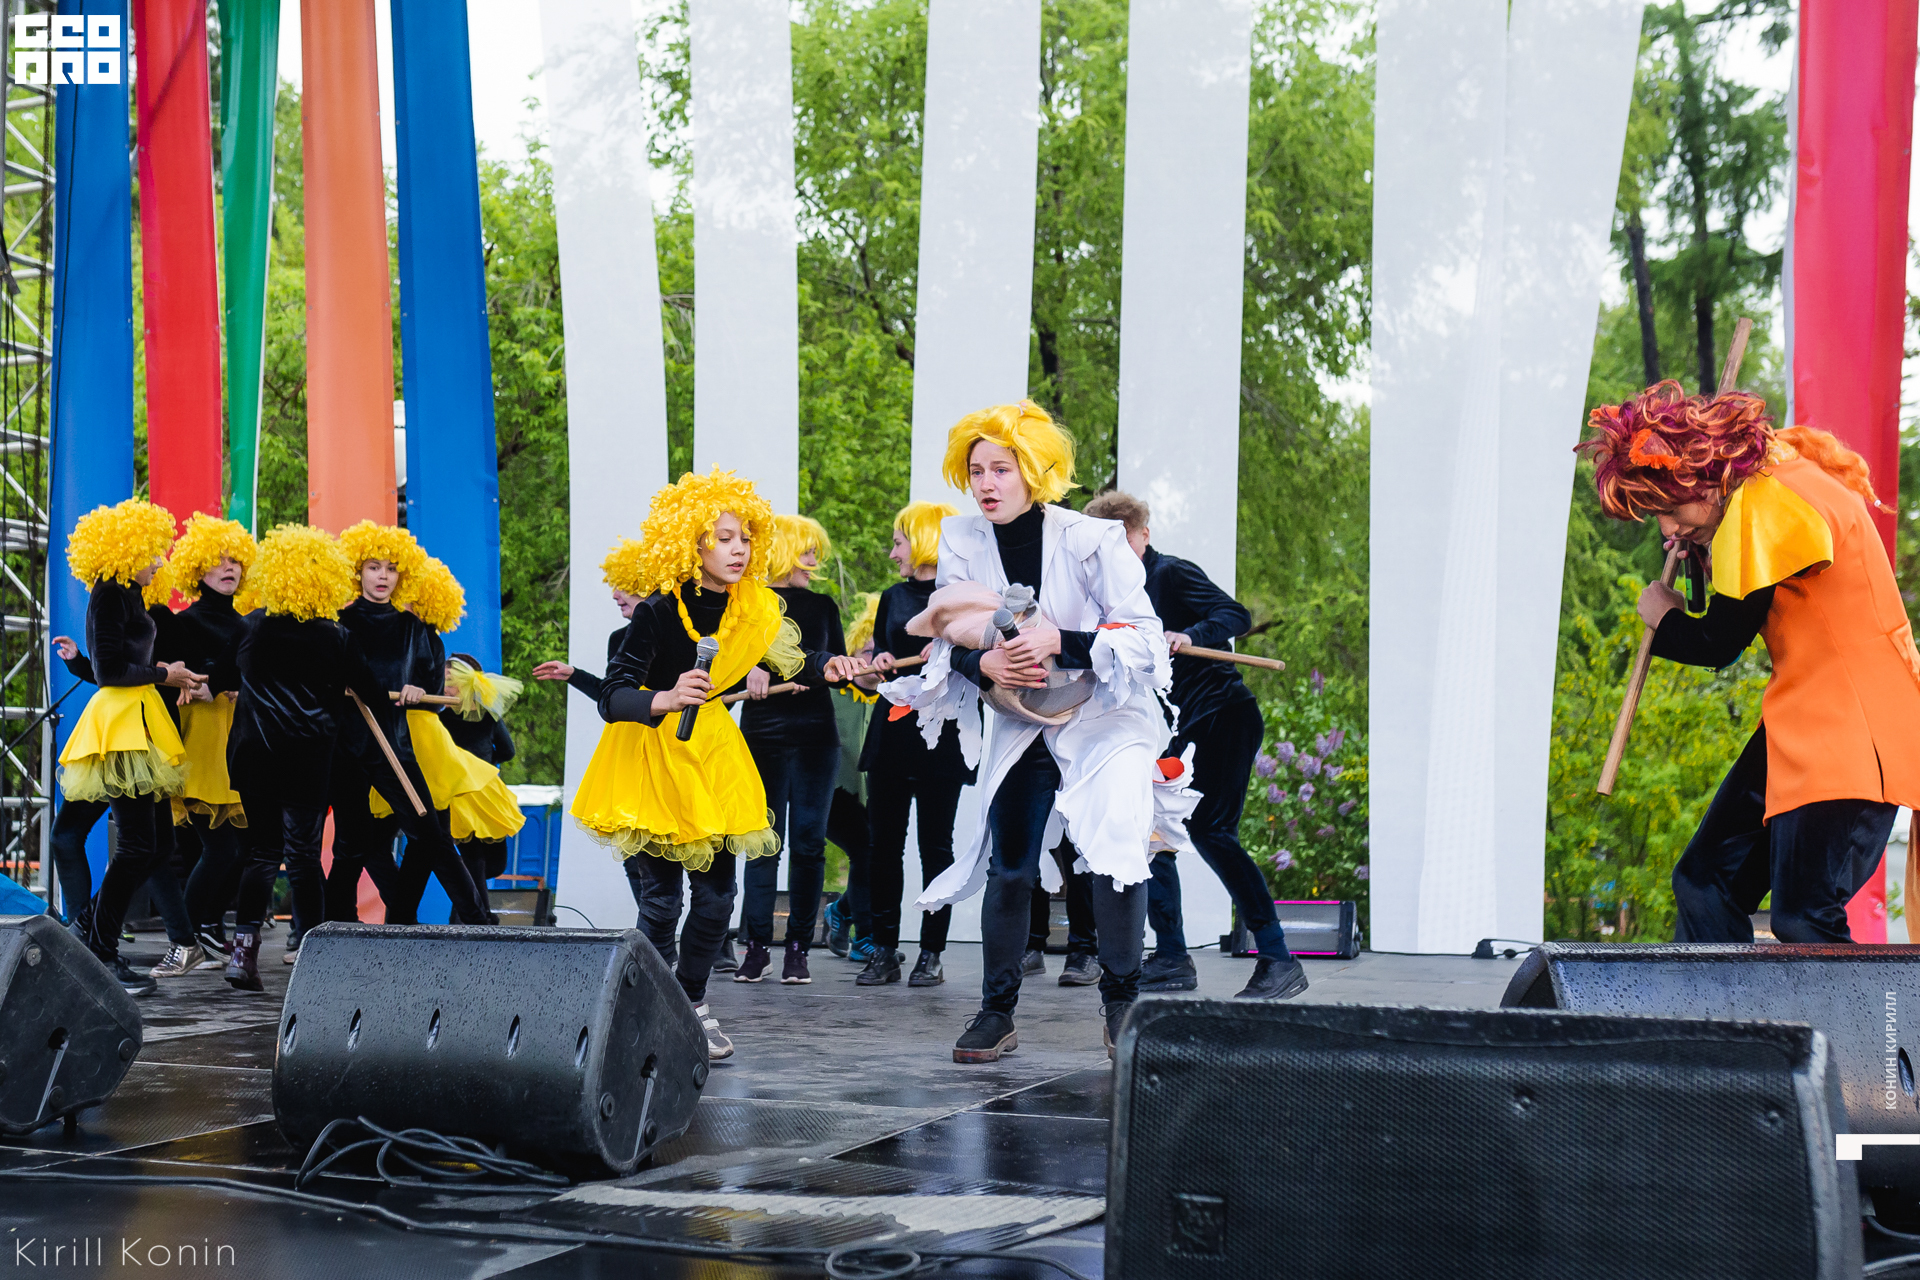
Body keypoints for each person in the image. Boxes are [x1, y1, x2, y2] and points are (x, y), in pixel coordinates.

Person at [879, 402, 1184, 1063]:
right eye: (976, 470)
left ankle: (1122, 1003)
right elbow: (950, 633)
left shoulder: (1093, 538)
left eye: (1002, 469)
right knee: (1010, 865)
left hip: (1106, 717)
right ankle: (997, 1012)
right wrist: (981, 663)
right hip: (1022, 718)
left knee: (1115, 847)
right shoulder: (961, 538)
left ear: (1036, 471)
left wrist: (1062, 640)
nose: (986, 483)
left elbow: (1145, 636)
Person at [1576, 381, 1920, 943]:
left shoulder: (1766, 506)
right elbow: (1742, 598)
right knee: (1704, 882)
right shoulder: (1767, 480)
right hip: (1802, 724)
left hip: (1853, 732)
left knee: (1804, 918)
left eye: (1671, 509)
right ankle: (1715, 1006)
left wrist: (1663, 615)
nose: (1667, 528)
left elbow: (1716, 642)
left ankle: (1860, 1009)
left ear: (1705, 479)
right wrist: (1703, 549)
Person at [571, 469, 859, 1059]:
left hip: (712, 758)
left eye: (745, 538)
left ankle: (691, 1002)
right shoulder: (657, 612)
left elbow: (791, 658)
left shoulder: (752, 606)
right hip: (652, 755)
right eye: (723, 538)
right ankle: (650, 1007)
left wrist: (827, 666)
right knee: (661, 904)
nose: (738, 549)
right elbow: (612, 696)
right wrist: (664, 697)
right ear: (691, 544)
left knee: (717, 900)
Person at [1081, 489, 1307, 999]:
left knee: (1211, 830)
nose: (1115, 553)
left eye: (1123, 540)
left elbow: (1235, 615)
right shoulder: (1112, 596)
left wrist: (1190, 634)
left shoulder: (1170, 574)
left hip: (1223, 715)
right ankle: (1172, 956)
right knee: (1154, 831)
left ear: (1143, 535)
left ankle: (1278, 958)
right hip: (1176, 730)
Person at [224, 525, 390, 990]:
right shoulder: (337, 637)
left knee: (261, 854)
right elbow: (375, 696)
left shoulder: (251, 625)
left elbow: (224, 674)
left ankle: (242, 953)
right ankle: (314, 954)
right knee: (301, 856)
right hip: (306, 761)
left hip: (253, 757)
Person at [54, 500, 205, 997]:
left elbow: (112, 664)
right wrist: (166, 674)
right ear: (126, 550)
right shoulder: (109, 594)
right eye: (153, 553)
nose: (160, 561)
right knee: (140, 845)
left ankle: (90, 931)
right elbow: (111, 672)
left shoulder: (129, 595)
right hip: (122, 728)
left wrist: (167, 674)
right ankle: (100, 950)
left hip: (139, 720)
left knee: (158, 846)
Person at [326, 522, 491, 929]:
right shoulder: (337, 623)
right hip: (346, 747)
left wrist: (417, 691)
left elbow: (432, 690)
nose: (383, 576)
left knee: (428, 834)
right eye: (373, 567)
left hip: (395, 746)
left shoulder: (413, 628)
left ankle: (404, 920)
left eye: (391, 568)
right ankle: (334, 927)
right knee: (350, 845)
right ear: (357, 572)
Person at [857, 500, 976, 988]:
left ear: (925, 539)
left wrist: (951, 650)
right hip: (893, 732)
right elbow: (882, 660)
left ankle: (931, 953)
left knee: (935, 845)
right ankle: (884, 949)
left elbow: (981, 661)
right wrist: (880, 661)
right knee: (882, 846)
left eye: (899, 542)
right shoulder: (892, 596)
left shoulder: (963, 596)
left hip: (941, 736)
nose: (893, 553)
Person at [370, 556, 526, 924]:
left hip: (422, 748)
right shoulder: (410, 637)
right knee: (431, 843)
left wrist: (417, 695)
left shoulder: (423, 640)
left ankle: (457, 916)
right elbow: (505, 750)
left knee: (429, 842)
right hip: (415, 747)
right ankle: (462, 916)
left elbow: (427, 693)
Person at [737, 514, 845, 985]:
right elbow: (725, 665)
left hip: (816, 737)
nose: (813, 559)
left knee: (808, 843)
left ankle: (799, 947)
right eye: (807, 550)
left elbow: (836, 667)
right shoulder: (748, 604)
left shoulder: (823, 605)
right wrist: (749, 670)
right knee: (763, 844)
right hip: (762, 736)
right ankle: (756, 947)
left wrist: (828, 670)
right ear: (784, 551)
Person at [159, 514, 259, 975]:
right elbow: (173, 677)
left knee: (240, 849)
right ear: (197, 568)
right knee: (219, 849)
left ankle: (203, 927)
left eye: (236, 560)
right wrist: (209, 683)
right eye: (219, 560)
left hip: (240, 740)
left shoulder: (249, 625)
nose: (229, 568)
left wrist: (238, 687)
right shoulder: (183, 623)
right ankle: (186, 934)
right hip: (199, 739)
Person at [440, 651, 525, 921]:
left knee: (481, 860)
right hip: (470, 793)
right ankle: (481, 916)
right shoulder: (483, 717)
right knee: (477, 857)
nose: (444, 686)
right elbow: (507, 751)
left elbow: (508, 751)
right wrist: (487, 762)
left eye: (450, 681)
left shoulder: (446, 719)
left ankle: (466, 905)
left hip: (471, 791)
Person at [824, 593, 881, 963]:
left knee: (875, 854)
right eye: (867, 651)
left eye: (880, 652)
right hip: (833, 791)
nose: (873, 659)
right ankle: (865, 938)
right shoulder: (831, 692)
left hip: (873, 795)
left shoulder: (892, 700)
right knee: (864, 849)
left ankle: (841, 910)